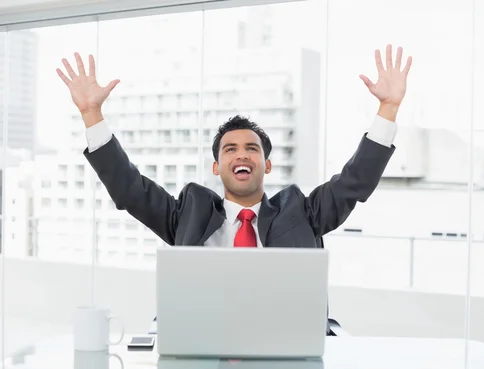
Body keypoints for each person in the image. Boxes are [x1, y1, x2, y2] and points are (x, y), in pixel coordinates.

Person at [57, 45, 411, 334]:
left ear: (267, 165)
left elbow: (354, 182)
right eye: (230, 149)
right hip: (202, 342)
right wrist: (92, 115)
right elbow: (130, 188)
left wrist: (388, 109)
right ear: (217, 167)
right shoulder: (188, 212)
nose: (241, 154)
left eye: (251, 148)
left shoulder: (302, 211)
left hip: (287, 346)